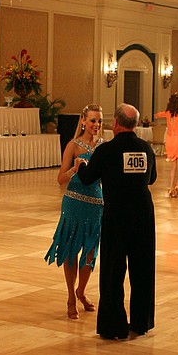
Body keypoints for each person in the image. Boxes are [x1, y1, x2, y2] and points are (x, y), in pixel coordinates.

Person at [75, 104, 157, 339]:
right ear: (136, 124)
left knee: (113, 270)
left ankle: (114, 327)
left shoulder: (108, 150)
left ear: (116, 123)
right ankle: (142, 322)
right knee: (142, 269)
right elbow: (151, 178)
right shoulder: (145, 148)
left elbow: (88, 179)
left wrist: (82, 166)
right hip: (143, 216)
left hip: (117, 216)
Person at [45, 104, 104, 319]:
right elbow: (60, 179)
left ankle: (81, 291)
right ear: (83, 121)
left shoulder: (104, 146)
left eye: (99, 121)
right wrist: (74, 168)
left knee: (90, 253)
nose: (96, 125)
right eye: (92, 121)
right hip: (73, 203)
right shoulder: (73, 145)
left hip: (96, 204)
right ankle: (71, 296)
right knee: (70, 251)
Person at [154, 93, 178, 197]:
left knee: (173, 165)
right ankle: (177, 185)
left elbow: (158, 115)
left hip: (169, 139)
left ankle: (171, 188)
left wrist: (156, 115)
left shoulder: (168, 113)